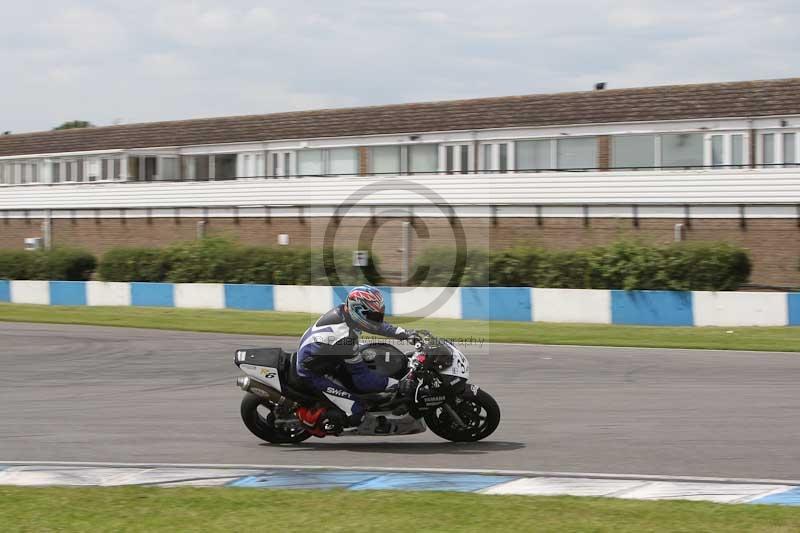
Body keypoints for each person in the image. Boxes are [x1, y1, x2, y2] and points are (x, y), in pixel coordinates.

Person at [295, 285, 415, 435]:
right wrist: (396, 384)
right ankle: (315, 420)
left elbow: (376, 327)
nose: (377, 319)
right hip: (313, 371)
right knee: (356, 412)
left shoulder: (344, 312)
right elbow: (363, 380)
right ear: (359, 312)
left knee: (374, 352)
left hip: (326, 354)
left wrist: (407, 334)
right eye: (373, 315)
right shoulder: (345, 338)